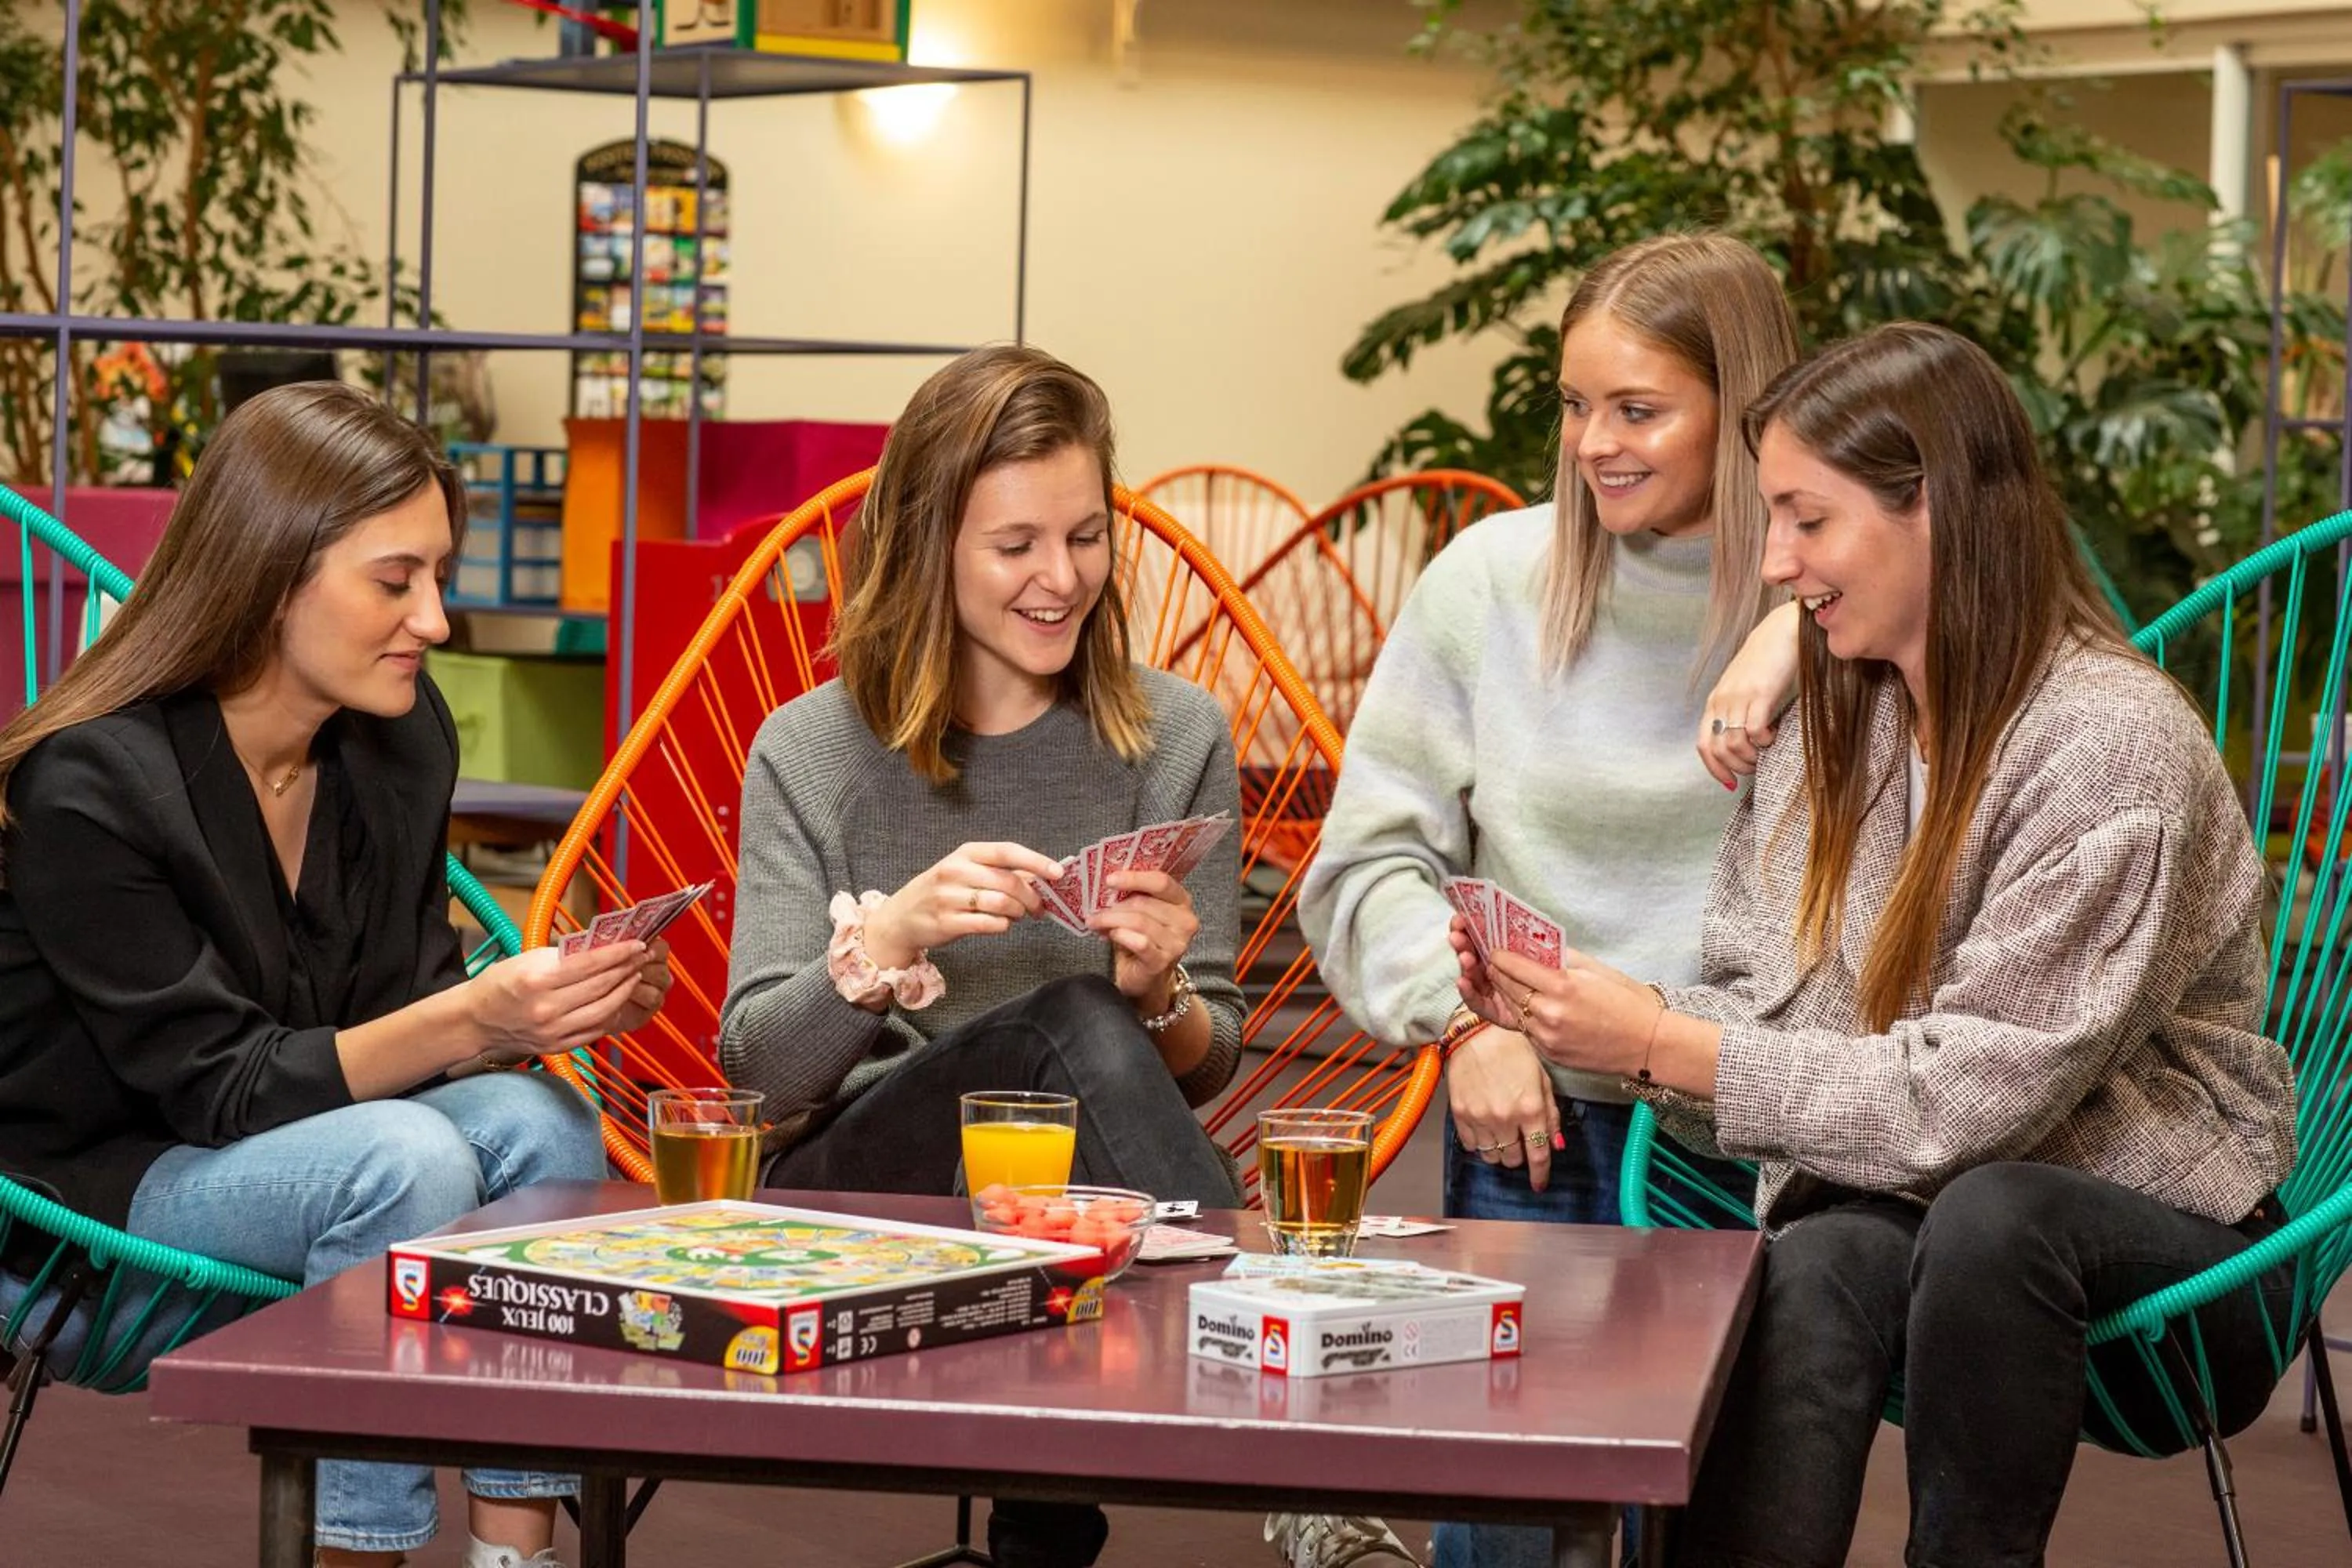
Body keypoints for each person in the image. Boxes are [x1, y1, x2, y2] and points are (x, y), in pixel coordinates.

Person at [1451, 322, 2300, 1566]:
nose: (1779, 565)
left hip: (2188, 1262)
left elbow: (1962, 1103)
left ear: (1936, 512)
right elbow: (1778, 1027)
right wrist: (1601, 1017)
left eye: (1808, 520)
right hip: (1921, 1213)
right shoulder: (1837, 727)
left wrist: (1668, 1044)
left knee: (1993, 1216)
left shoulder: (2112, 749)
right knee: (1821, 1256)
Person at [0, 383, 673, 1568]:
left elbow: (395, 1013)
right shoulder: (92, 784)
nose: (438, 620)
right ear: (270, 578)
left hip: (304, 1147)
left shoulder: (398, 738)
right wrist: (471, 1010)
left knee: (540, 1116)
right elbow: (219, 1090)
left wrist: (531, 1019)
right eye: (396, 580)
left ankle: (512, 1557)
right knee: (407, 1161)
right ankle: (363, 1551)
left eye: (438, 577)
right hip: (91, 1206)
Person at [1288, 232, 1801, 1568]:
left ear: (1746, 419)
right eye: (1577, 406)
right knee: (1517, 1547)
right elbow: (1359, 873)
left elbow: (1996, 531)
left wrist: (1801, 614)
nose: (1592, 445)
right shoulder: (1488, 584)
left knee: (1727, 1530)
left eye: (1638, 410)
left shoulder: (1839, 614)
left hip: (1757, 1129)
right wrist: (1469, 1027)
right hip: (1536, 1121)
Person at [720, 343, 1246, 1568]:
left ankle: (1042, 1539)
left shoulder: (1176, 735)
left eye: (1086, 536)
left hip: (1084, 1189)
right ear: (930, 544)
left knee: (1091, 1026)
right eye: (1016, 546)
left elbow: (1205, 1058)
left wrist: (1160, 993)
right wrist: (883, 943)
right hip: (862, 1188)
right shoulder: (812, 748)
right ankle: (1266, 1320)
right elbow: (757, 1078)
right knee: (1063, 1023)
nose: (1060, 580)